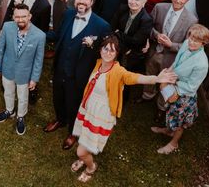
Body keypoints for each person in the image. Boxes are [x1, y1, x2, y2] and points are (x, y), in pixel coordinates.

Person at [70, 35, 177, 182]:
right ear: (100, 50)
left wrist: (157, 79)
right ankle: (86, 156)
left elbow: (135, 77)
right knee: (85, 139)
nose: (108, 53)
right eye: (106, 49)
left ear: (117, 54)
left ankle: (90, 166)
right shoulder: (99, 63)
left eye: (112, 51)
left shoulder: (118, 71)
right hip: (88, 108)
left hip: (101, 114)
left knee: (80, 151)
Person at [44, 0, 111, 151]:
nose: (82, 1)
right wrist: (37, 33)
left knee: (74, 104)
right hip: (60, 67)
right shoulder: (67, 14)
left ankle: (73, 132)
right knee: (58, 96)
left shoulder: (101, 26)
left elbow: (105, 51)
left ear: (92, 1)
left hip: (80, 73)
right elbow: (58, 35)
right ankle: (60, 119)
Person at [151, 24, 209, 155]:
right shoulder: (186, 44)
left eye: (196, 40)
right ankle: (167, 131)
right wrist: (169, 71)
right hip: (172, 84)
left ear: (204, 43)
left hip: (184, 95)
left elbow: (192, 86)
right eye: (191, 37)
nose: (191, 41)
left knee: (179, 121)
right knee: (169, 110)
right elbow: (177, 61)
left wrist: (173, 82)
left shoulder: (201, 64)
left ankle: (174, 143)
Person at [0, 4, 46, 136]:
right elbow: (0, 49)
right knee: (8, 92)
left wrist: (34, 78)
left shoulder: (40, 36)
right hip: (7, 69)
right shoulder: (7, 27)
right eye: (17, 16)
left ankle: (20, 116)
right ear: (13, 17)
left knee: (23, 97)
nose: (20, 19)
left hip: (25, 74)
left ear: (29, 16)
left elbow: (38, 60)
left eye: (23, 16)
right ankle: (9, 110)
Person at [141, 0, 197, 107]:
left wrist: (171, 45)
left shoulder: (191, 20)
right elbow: (147, 26)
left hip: (171, 58)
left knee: (166, 82)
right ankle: (147, 95)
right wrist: (156, 36)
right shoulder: (159, 8)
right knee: (149, 73)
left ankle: (161, 106)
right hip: (154, 51)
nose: (178, 0)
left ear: (187, 0)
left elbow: (188, 46)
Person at [111, 0, 152, 72]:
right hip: (117, 47)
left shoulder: (146, 20)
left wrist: (119, 33)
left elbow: (136, 41)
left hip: (131, 54)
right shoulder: (122, 9)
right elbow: (112, 27)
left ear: (143, 2)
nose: (133, 2)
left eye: (137, 0)